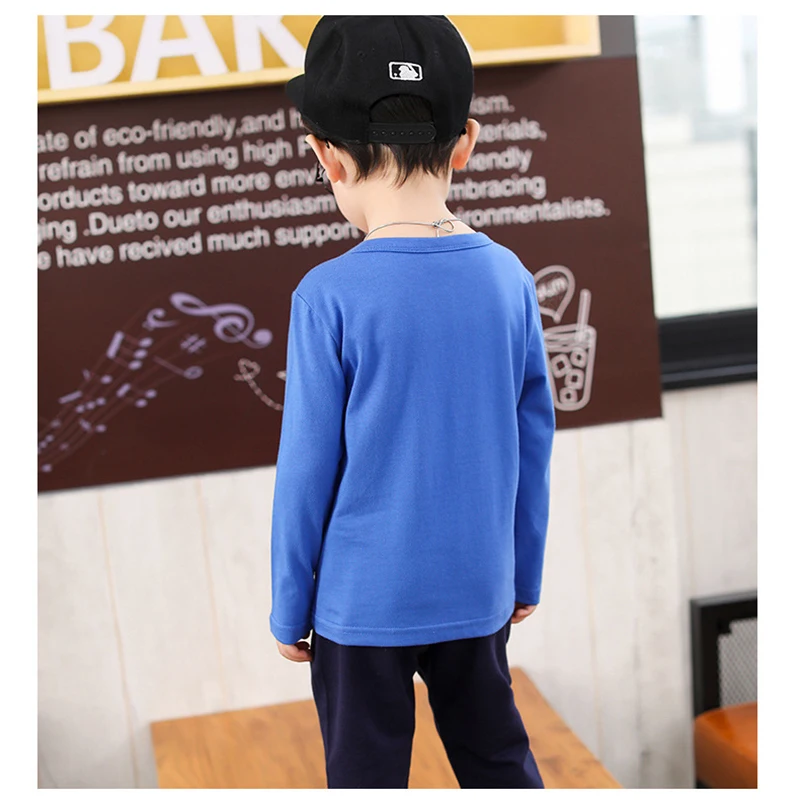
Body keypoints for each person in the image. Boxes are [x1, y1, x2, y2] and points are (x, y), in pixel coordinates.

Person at [269, 15, 556, 790]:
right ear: (465, 144)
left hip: (362, 603)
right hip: (478, 586)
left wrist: (291, 603)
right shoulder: (509, 278)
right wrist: (522, 571)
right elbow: (534, 440)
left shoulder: (328, 295)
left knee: (365, 778)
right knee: (499, 762)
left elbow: (306, 469)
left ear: (326, 156)